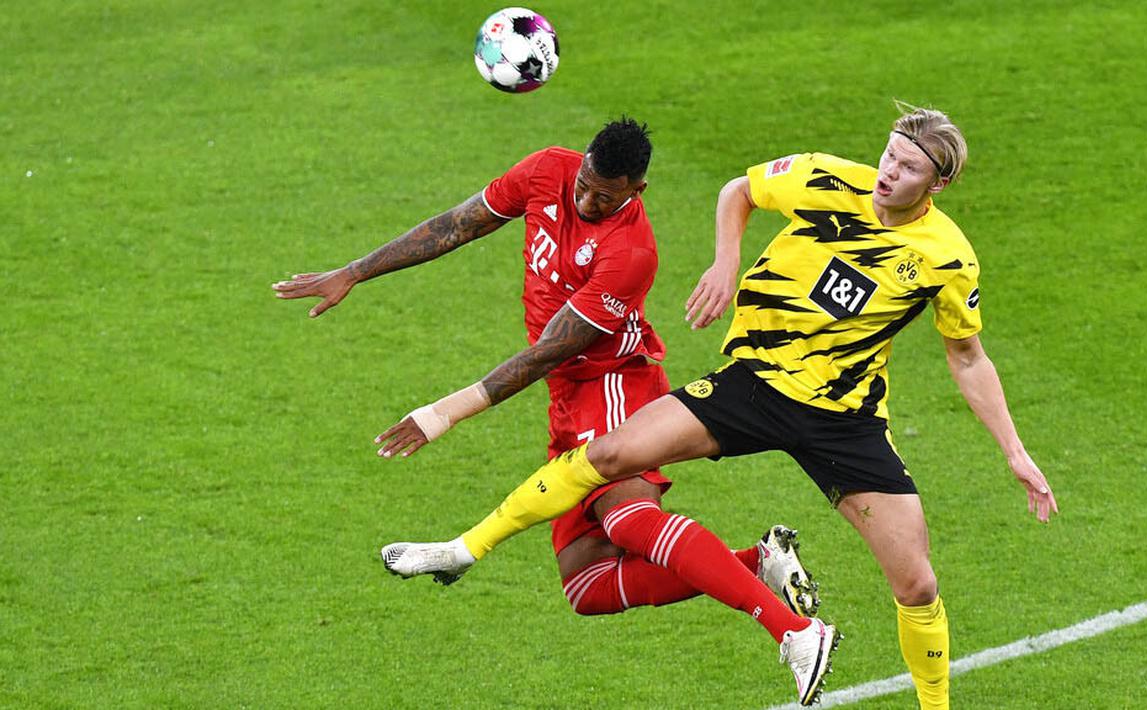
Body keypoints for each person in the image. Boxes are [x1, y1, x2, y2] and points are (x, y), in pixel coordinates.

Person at [380, 105, 1059, 708]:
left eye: (907, 168)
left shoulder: (946, 258)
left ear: (936, 184)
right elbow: (740, 189)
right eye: (888, 155)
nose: (887, 172)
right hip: (753, 384)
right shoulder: (824, 177)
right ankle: (463, 550)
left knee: (914, 583)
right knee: (611, 456)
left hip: (840, 419)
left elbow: (966, 357)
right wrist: (724, 259)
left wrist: (1016, 455)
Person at [271, 117, 823, 649]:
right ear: (579, 162)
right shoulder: (545, 171)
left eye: (605, 197)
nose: (586, 202)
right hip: (567, 393)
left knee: (629, 520)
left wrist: (441, 414)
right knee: (587, 588)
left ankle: (794, 632)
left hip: (612, 384)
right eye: (584, 185)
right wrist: (355, 271)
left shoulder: (630, 252)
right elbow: (457, 225)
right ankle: (759, 561)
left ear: (636, 190)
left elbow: (545, 353)